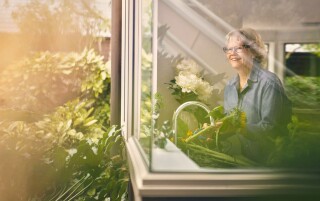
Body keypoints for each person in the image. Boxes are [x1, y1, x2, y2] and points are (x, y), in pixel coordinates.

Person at [221, 27, 291, 162]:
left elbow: (271, 128)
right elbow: (228, 124)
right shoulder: (230, 86)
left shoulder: (269, 83)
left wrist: (239, 128)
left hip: (267, 162)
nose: (232, 53)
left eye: (239, 48)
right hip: (237, 159)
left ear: (253, 51)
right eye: (229, 49)